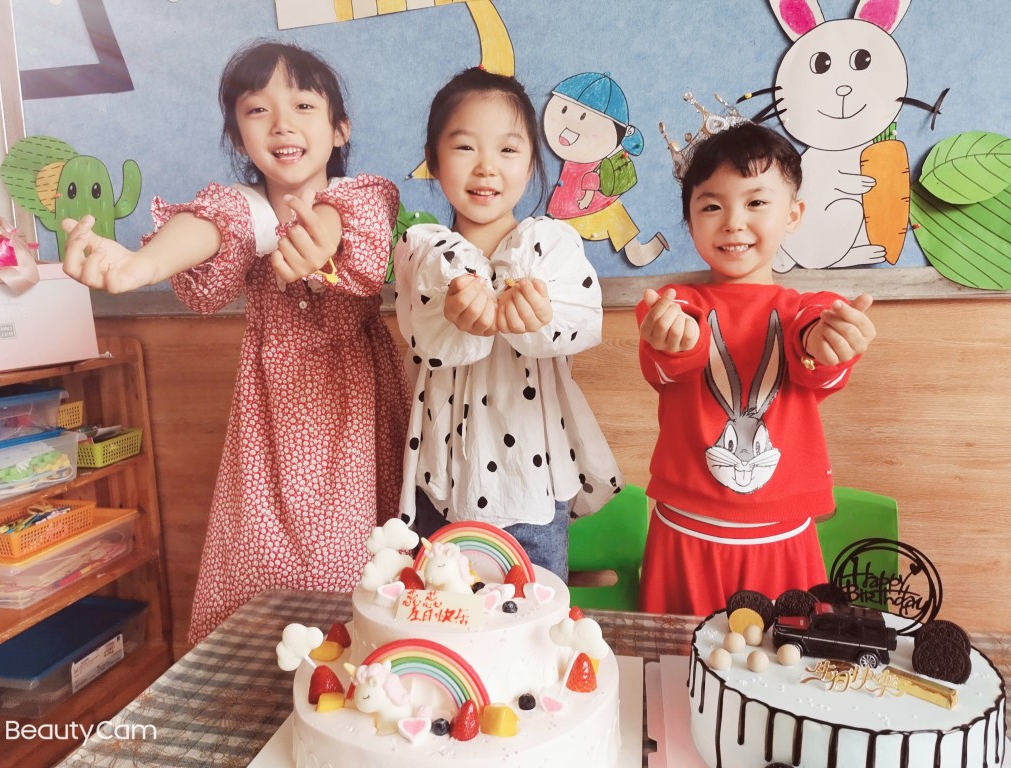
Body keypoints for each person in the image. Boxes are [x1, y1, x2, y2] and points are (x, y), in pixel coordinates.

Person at [60, 40, 409, 644]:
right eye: (257, 110)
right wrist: (142, 266)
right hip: (271, 419)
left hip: (356, 413)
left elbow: (341, 221)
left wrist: (319, 239)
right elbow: (213, 225)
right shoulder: (240, 209)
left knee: (363, 568)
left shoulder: (365, 196)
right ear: (238, 136)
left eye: (303, 105)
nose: (282, 124)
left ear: (340, 129)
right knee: (261, 564)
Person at [635, 120, 876, 616]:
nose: (733, 222)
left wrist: (827, 342)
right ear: (689, 222)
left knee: (788, 657)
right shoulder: (673, 306)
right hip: (684, 535)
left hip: (783, 540)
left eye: (756, 202)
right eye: (711, 206)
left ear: (793, 214)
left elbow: (813, 349)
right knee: (676, 661)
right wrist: (676, 342)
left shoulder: (808, 311)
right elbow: (671, 355)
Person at [393, 67, 623, 580]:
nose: (487, 168)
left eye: (508, 149)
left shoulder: (552, 247)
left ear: (532, 162)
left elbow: (582, 318)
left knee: (538, 614)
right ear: (433, 160)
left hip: (533, 486)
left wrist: (540, 318)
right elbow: (424, 329)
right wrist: (455, 311)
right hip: (441, 485)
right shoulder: (422, 249)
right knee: (442, 609)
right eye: (465, 147)